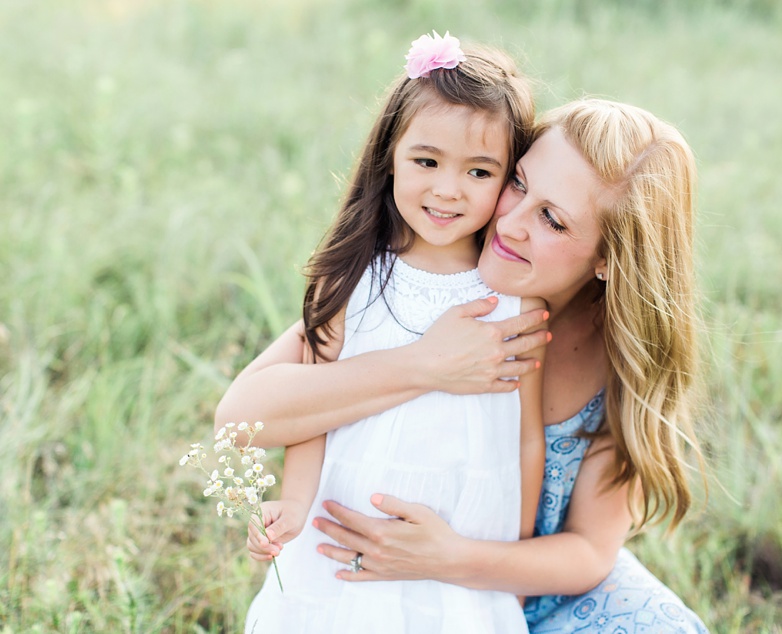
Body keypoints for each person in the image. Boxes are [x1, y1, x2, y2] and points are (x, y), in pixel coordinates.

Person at [222, 100, 708, 630]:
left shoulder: (620, 359)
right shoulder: (421, 283)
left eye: (552, 219)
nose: (511, 222)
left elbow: (591, 552)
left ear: (610, 260)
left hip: (523, 585)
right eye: (518, 183)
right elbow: (239, 419)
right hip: (389, 580)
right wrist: (421, 364)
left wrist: (449, 559)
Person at [222, 32, 544, 633]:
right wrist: (292, 503)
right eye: (427, 162)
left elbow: (526, 435)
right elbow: (311, 407)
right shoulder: (353, 277)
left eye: (478, 171)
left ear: (508, 181)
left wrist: (514, 560)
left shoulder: (515, 295)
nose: (447, 189)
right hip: (343, 530)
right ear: (390, 156)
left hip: (463, 540)